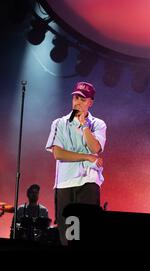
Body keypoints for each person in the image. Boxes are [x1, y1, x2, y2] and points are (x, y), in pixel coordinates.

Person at [45, 82, 106, 245]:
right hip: (65, 184)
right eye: (75, 97)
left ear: (90, 102)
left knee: (87, 234)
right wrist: (87, 157)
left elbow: (95, 148)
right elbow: (58, 154)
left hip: (89, 182)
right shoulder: (60, 123)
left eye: (82, 99)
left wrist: (85, 126)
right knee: (68, 236)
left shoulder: (98, 124)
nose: (77, 102)